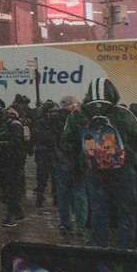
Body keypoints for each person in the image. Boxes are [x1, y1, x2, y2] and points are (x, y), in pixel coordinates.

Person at [60, 77, 137, 249]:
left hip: (94, 169)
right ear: (112, 92)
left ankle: (99, 248)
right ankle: (125, 249)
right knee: (126, 210)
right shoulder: (124, 113)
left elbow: (65, 142)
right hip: (123, 169)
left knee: (98, 210)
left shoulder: (77, 115)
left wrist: (81, 158)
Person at [0, 106, 28, 228]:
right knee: (4, 188)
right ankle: (18, 211)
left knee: (11, 188)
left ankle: (10, 216)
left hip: (14, 161)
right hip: (2, 161)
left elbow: (16, 143)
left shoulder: (14, 124)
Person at [52, 96, 89, 238]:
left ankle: (64, 223)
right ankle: (81, 224)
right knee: (80, 194)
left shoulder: (54, 120)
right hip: (77, 162)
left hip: (61, 162)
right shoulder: (80, 119)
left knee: (63, 195)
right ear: (73, 106)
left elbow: (52, 142)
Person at [33, 101, 65, 209]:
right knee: (43, 178)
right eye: (52, 112)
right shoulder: (41, 123)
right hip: (44, 153)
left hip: (52, 153)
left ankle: (55, 199)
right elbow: (38, 137)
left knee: (55, 178)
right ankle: (41, 198)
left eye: (56, 112)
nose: (54, 114)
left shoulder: (59, 123)